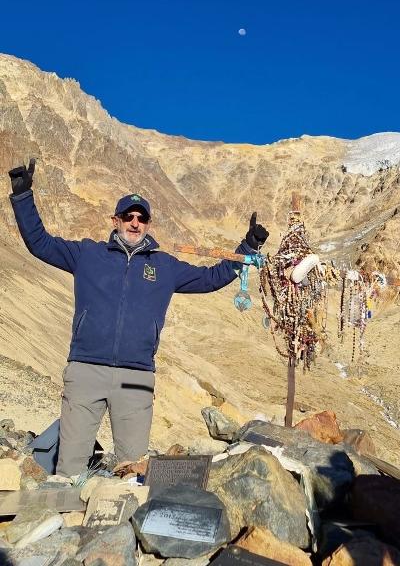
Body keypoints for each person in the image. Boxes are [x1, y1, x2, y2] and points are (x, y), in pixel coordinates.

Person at [8, 160, 269, 477]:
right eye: (128, 216)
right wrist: (23, 195)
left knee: (133, 471)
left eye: (141, 217)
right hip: (86, 370)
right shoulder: (87, 255)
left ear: (148, 224)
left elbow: (212, 277)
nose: (135, 222)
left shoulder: (165, 267)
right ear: (115, 220)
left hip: (136, 378)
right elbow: (40, 243)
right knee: (69, 471)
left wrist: (248, 246)